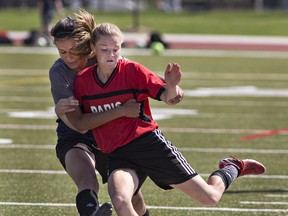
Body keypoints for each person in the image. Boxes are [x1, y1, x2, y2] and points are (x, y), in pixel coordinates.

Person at [66, 22, 265, 216]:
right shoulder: (83, 81)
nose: (111, 54)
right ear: (93, 48)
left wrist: (171, 86)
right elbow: (81, 122)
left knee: (210, 197)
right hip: (118, 154)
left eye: (115, 49)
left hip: (149, 145)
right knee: (120, 200)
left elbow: (169, 97)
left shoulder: (132, 71)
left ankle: (232, 167)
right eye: (104, 49)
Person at [49, 10, 151, 216]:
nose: (68, 58)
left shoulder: (107, 58)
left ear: (87, 45)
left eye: (73, 51)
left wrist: (170, 90)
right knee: (86, 180)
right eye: (62, 52)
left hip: (111, 133)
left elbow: (143, 82)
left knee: (132, 196)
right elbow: (79, 124)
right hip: (75, 133)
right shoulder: (59, 71)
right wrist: (121, 110)